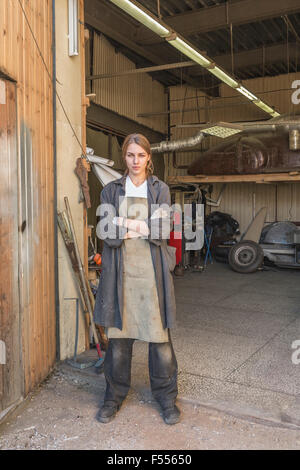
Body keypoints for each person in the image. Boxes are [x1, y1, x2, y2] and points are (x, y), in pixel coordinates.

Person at [93, 133, 180, 425]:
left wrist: (125, 223)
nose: (135, 161)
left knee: (160, 342)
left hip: (152, 276)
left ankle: (167, 399)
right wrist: (141, 226)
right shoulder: (111, 190)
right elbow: (105, 231)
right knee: (118, 341)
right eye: (130, 155)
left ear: (149, 158)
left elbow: (162, 228)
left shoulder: (160, 190)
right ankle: (113, 397)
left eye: (140, 155)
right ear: (124, 157)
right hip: (121, 275)